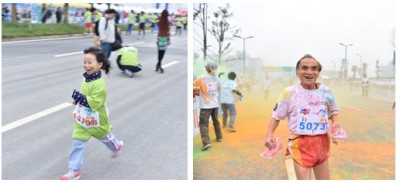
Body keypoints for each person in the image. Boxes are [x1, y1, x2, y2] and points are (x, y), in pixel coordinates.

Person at [264, 54, 340, 180]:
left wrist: (335, 124)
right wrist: (269, 134)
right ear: (297, 72)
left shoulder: (326, 91)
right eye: (304, 68)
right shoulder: (288, 93)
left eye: (314, 68)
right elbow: (277, 115)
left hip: (322, 143)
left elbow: (333, 110)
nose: (309, 72)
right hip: (300, 143)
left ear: (318, 72)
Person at [60, 47, 124, 180]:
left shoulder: (100, 84)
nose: (86, 65)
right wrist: (76, 99)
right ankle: (74, 170)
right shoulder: (86, 78)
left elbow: (94, 103)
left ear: (99, 64)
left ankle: (117, 146)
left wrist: (77, 96)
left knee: (107, 139)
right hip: (83, 120)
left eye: (90, 62)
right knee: (77, 144)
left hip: (97, 122)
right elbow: (85, 94)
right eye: (85, 62)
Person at [193, 62, 223, 151]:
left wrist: (201, 89)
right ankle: (219, 137)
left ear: (207, 68)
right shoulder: (217, 79)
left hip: (206, 105)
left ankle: (206, 142)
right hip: (215, 104)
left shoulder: (202, 77)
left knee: (203, 124)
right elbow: (219, 90)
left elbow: (194, 84)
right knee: (215, 121)